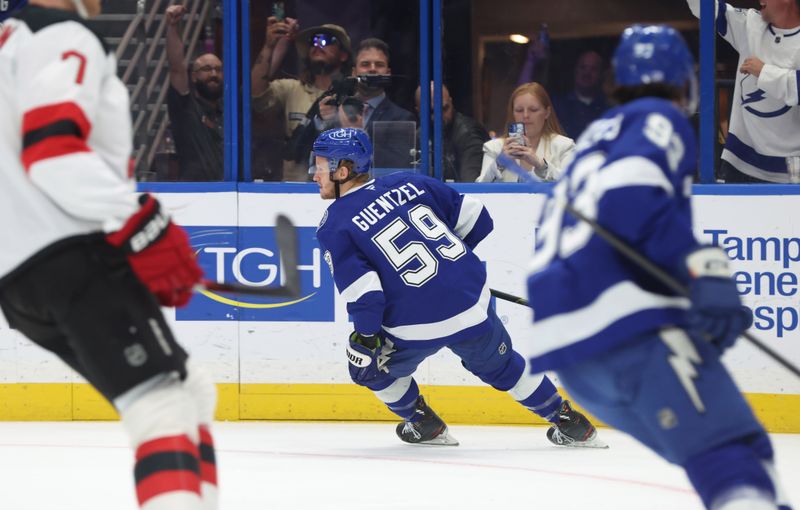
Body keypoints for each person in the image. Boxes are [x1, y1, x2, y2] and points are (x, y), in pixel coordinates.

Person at [524, 25, 793, 510]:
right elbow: (633, 199)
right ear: (687, 82)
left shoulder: (600, 136)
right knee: (733, 455)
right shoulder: (657, 119)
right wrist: (704, 269)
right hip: (629, 336)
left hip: (572, 359)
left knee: (722, 453)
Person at [0, 2, 219, 509]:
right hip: (67, 253)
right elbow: (52, 151)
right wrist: (140, 221)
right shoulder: (62, 36)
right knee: (161, 404)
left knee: (189, 388)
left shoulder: (9, 41)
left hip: (16, 279)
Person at [311, 127, 602, 448]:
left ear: (342, 170)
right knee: (502, 365)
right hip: (471, 302)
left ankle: (423, 423)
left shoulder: (334, 224)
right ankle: (570, 422)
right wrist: (449, 271)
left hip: (414, 325)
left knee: (366, 369)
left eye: (320, 167)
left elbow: (366, 296)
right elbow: (478, 218)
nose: (314, 175)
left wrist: (365, 339)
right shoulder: (409, 182)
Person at [687, 0, 800, 183]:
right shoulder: (750, 24)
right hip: (740, 163)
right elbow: (704, 7)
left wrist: (764, 72)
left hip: (791, 171)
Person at [251, 20, 352, 181]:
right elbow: (255, 93)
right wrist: (269, 46)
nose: (318, 45)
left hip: (341, 188)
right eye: (314, 41)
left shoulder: (353, 96)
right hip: (295, 193)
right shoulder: (291, 89)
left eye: (326, 40)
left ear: (343, 55)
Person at [165, 3, 224, 182]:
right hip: (194, 193)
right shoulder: (186, 107)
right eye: (206, 69)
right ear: (194, 76)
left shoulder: (228, 112)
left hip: (227, 192)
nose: (213, 74)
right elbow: (177, 68)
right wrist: (172, 26)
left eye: (218, 69)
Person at [477, 82, 574, 182]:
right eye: (519, 110)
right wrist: (500, 163)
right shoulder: (494, 148)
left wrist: (541, 166)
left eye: (533, 110)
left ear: (547, 113)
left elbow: (572, 186)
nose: (526, 115)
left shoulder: (564, 146)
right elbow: (479, 191)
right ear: (513, 113)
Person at [415, 83, 490, 182]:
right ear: (418, 111)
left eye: (445, 109)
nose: (439, 116)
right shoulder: (420, 134)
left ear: (451, 102)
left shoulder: (468, 133)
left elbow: (470, 182)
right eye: (432, 112)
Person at [552, 50, 609, 140]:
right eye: (583, 67)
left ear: (600, 74)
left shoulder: (608, 108)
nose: (587, 73)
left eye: (593, 69)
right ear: (575, 70)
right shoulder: (557, 105)